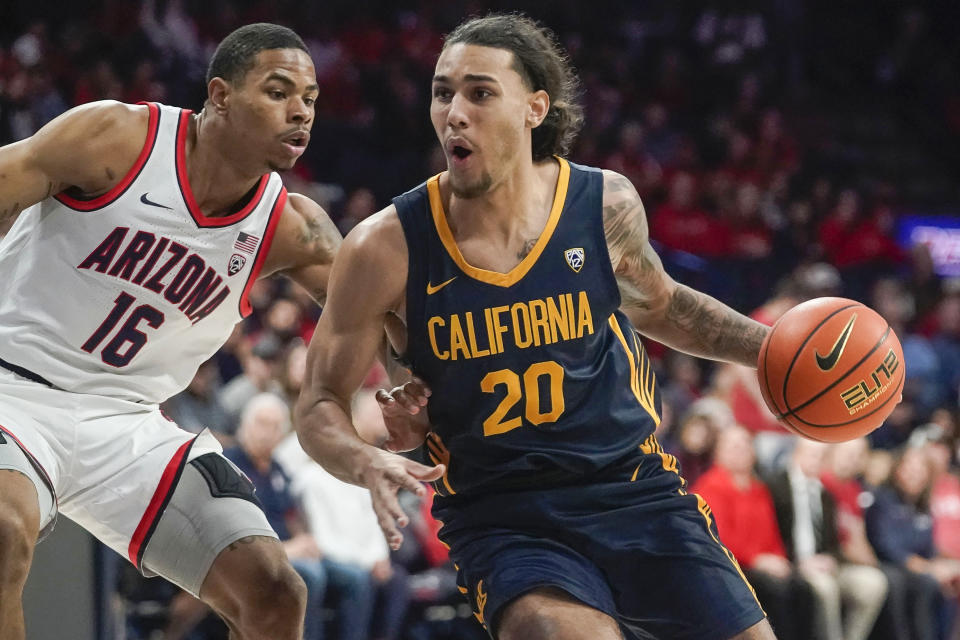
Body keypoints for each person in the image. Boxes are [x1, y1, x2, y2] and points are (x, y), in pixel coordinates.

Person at [296, 13, 782, 640]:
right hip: (504, 515)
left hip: (634, 488)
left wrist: (774, 352)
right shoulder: (385, 248)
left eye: (480, 92)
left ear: (534, 108)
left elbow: (664, 307)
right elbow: (317, 405)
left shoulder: (603, 204)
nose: (454, 112)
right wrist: (365, 459)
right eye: (443, 92)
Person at [0, 23, 344, 639]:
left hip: (127, 423)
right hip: (12, 387)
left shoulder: (292, 227)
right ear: (220, 95)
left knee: (274, 591)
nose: (300, 112)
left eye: (310, 98)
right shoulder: (120, 137)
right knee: (1, 532)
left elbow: (378, 319)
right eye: (278, 91)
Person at [692, 426, 815, 640]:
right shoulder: (709, 487)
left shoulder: (759, 489)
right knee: (777, 591)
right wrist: (758, 560)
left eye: (745, 445)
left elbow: (772, 534)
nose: (740, 451)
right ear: (718, 452)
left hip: (763, 565)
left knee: (804, 589)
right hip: (730, 566)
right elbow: (717, 539)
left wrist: (779, 559)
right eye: (733, 446)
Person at [766, 438, 887, 640]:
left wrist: (831, 557)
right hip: (792, 563)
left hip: (824, 563)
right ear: (797, 454)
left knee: (873, 583)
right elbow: (771, 533)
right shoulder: (775, 486)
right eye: (812, 455)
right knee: (826, 588)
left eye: (822, 457)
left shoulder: (825, 494)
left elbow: (832, 540)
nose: (817, 461)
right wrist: (799, 562)